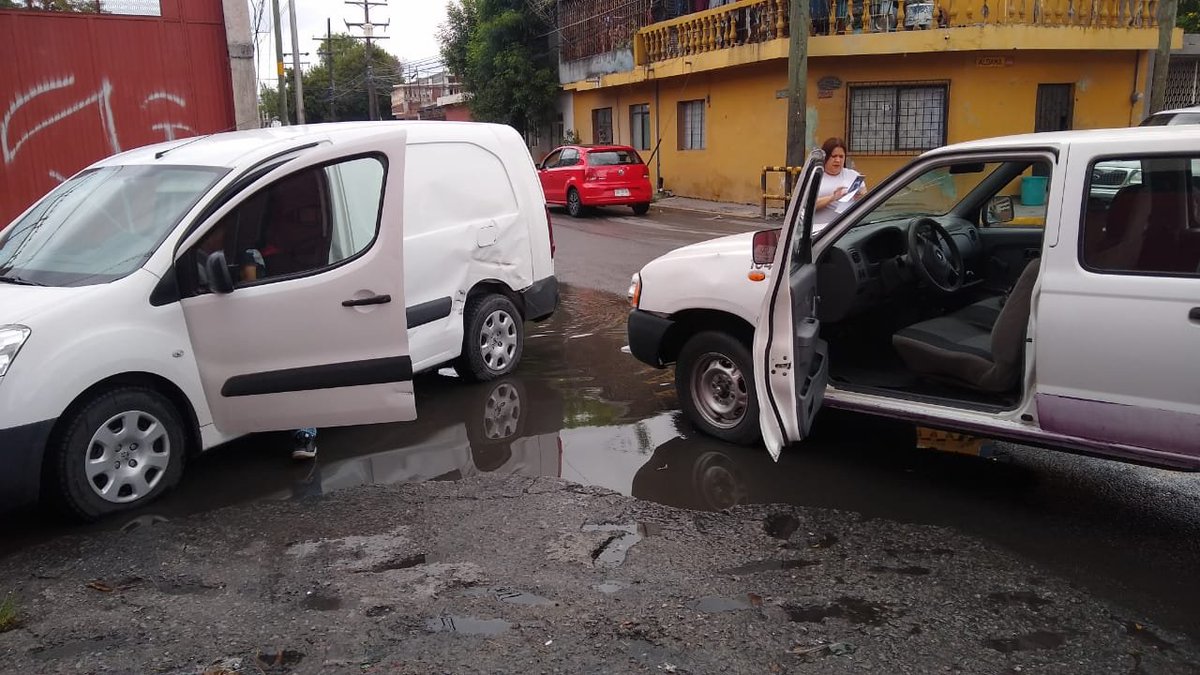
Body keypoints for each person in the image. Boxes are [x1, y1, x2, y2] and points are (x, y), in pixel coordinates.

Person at [812, 137, 865, 230]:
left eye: (841, 156)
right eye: (834, 156)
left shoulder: (853, 175)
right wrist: (832, 198)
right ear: (826, 157)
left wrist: (861, 196)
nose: (838, 160)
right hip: (819, 231)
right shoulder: (815, 177)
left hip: (847, 229)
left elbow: (865, 198)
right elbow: (806, 206)